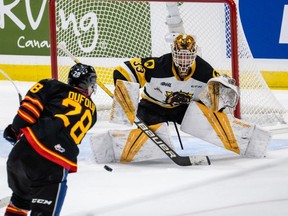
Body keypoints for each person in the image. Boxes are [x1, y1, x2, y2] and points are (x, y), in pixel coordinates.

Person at [3, 63, 97, 216]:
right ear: (89, 85)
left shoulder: (51, 85)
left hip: (21, 155)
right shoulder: (92, 112)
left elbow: (26, 116)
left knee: (19, 202)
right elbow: (65, 135)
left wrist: (13, 130)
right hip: (52, 164)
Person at [113, 33, 221, 126]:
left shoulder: (205, 72)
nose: (184, 60)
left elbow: (220, 92)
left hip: (183, 109)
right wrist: (125, 98)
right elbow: (123, 70)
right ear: (173, 53)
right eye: (180, 56)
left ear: (194, 54)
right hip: (152, 107)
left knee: (213, 119)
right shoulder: (159, 65)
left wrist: (221, 108)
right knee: (154, 135)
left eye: (187, 56)